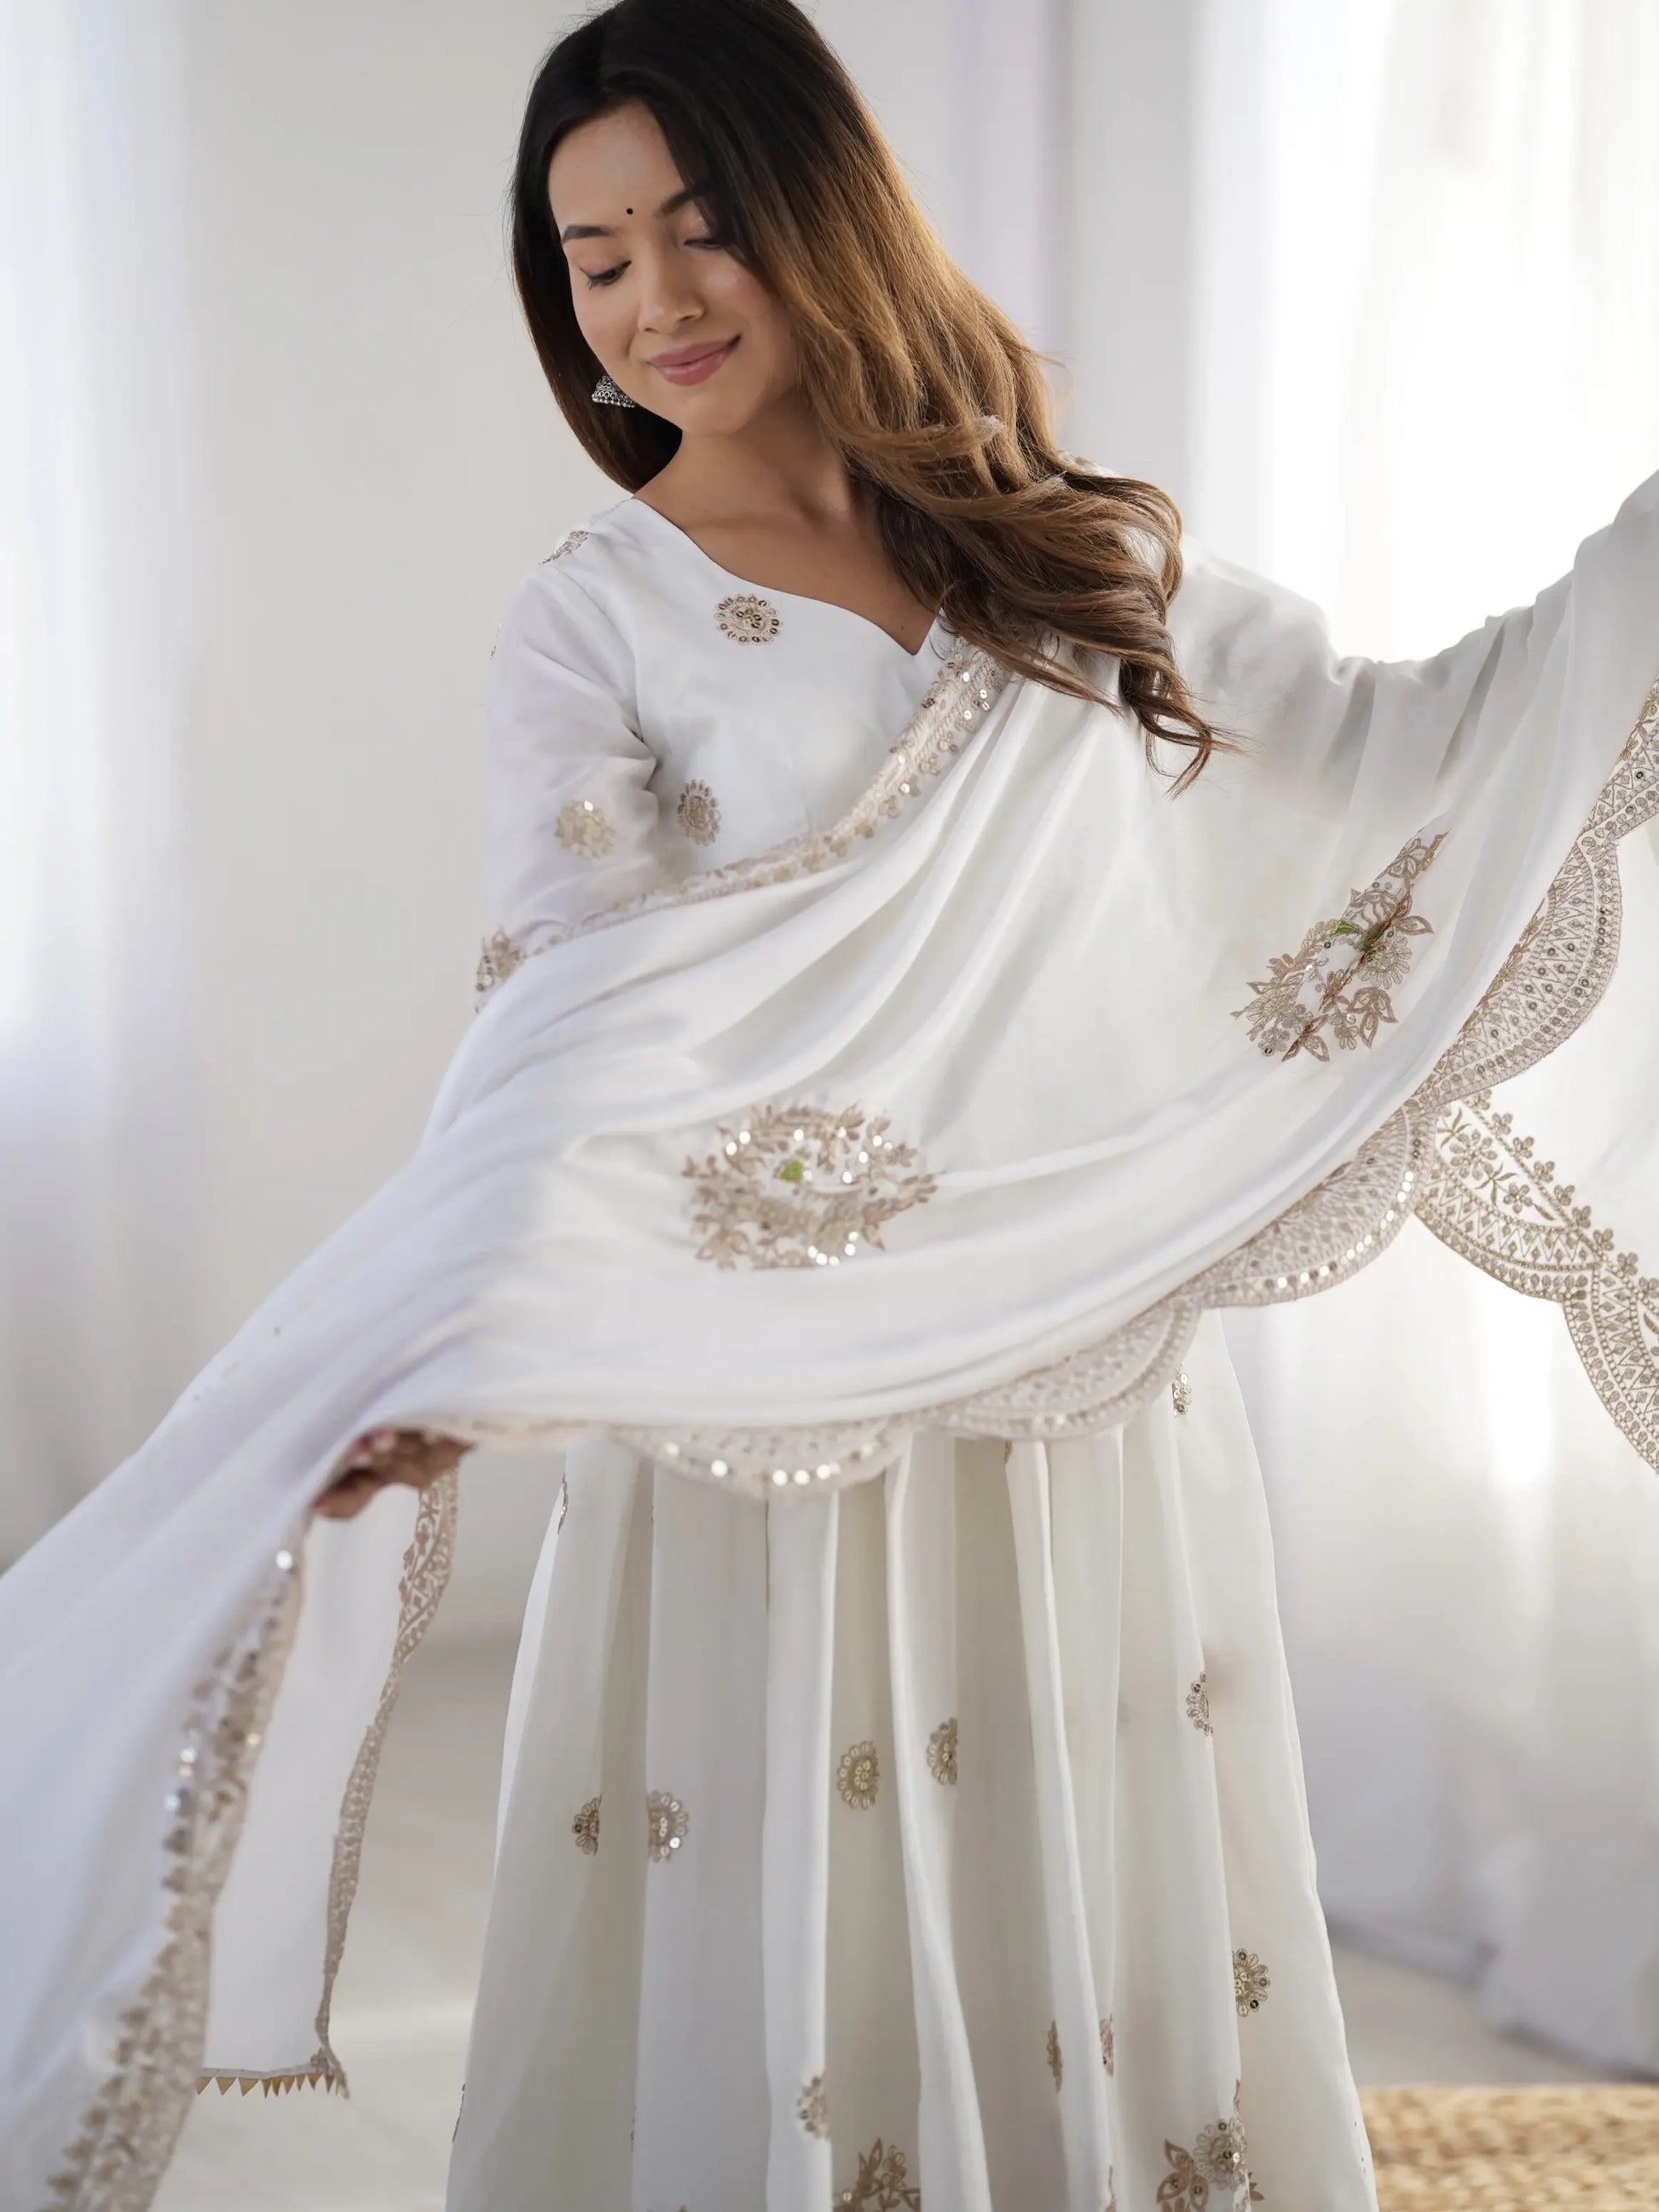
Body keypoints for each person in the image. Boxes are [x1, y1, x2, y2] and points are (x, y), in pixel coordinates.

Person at [3, 4, 1656, 2211]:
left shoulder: (1074, 561)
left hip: (1074, 1386)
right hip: (758, 1399)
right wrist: (468, 1325)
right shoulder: (601, 623)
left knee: (1079, 1873)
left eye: (699, 230)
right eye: (592, 258)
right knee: (785, 1905)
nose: (653, 299)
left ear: (825, 217)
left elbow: (1383, 768)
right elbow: (587, 996)